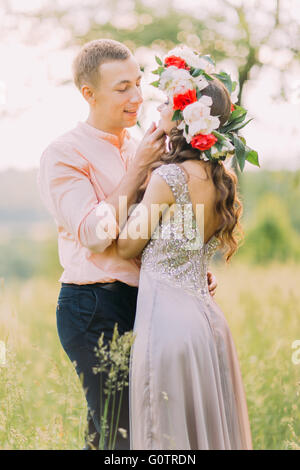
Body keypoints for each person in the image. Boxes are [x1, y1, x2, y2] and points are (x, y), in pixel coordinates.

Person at [37, 39, 217, 450]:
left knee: (114, 436)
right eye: (122, 88)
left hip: (149, 305)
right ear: (89, 93)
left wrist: (185, 264)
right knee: (125, 437)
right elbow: (95, 233)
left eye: (138, 84)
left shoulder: (140, 146)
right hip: (92, 309)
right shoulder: (63, 154)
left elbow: (154, 226)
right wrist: (137, 170)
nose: (136, 97)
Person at [116, 46, 254, 450]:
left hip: (168, 327)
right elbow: (185, 243)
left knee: (167, 439)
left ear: (184, 115)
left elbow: (127, 246)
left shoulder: (170, 177)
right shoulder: (220, 178)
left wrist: (134, 175)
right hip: (208, 324)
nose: (158, 109)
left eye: (166, 103)